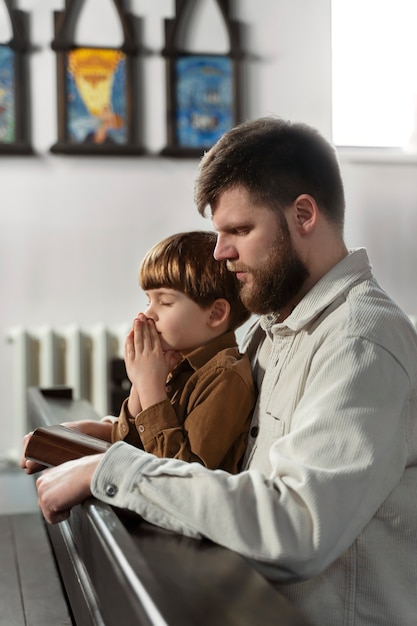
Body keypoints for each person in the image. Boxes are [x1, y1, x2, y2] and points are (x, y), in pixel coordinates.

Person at [23, 117, 417, 626]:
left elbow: (296, 523)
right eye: (219, 232)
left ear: (303, 214)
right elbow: (214, 452)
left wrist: (112, 469)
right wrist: (104, 435)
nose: (220, 251)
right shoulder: (269, 329)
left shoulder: (361, 341)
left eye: (239, 230)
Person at [23, 231, 256, 474]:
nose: (147, 314)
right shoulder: (173, 361)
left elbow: (180, 474)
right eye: (148, 301)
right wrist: (137, 387)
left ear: (215, 314)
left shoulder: (225, 377)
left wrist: (150, 386)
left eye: (165, 302)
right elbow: (134, 443)